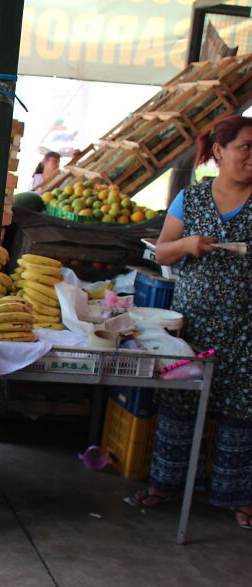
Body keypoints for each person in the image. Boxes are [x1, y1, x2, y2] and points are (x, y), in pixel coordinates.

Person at [130, 115, 252, 531]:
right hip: (192, 322)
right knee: (180, 405)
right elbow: (162, 253)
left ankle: (237, 497)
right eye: (246, 146)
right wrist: (187, 244)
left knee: (242, 413)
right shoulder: (192, 199)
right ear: (219, 151)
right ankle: (166, 485)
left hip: (247, 328)